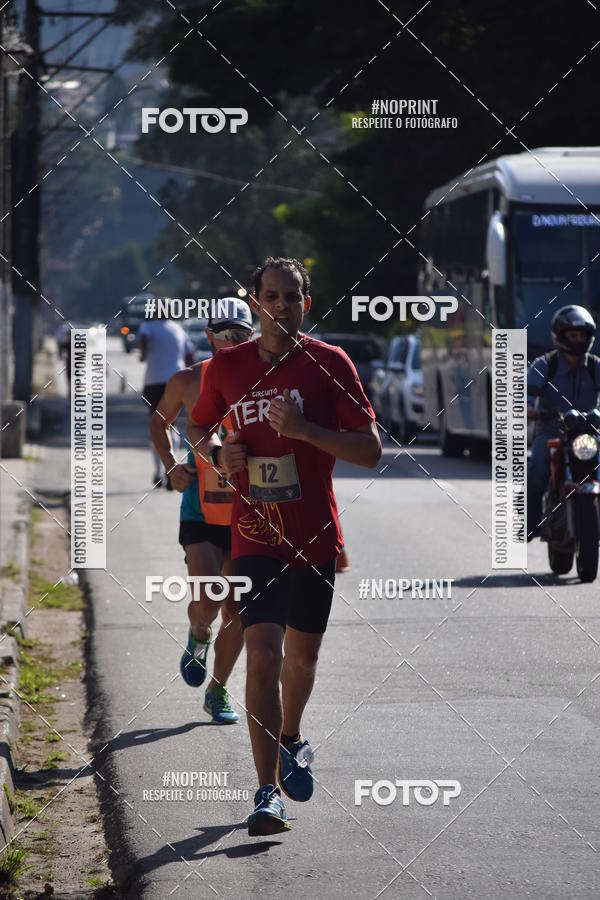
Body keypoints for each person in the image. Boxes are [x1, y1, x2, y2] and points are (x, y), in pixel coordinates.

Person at [189, 257, 382, 836]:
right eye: (270, 296)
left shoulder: (330, 363)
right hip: (254, 537)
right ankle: (265, 793)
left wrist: (305, 431)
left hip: (314, 536)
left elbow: (370, 450)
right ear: (255, 303)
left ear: (306, 303)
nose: (280, 305)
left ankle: (292, 736)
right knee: (263, 654)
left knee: (302, 660)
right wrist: (217, 452)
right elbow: (198, 428)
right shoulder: (227, 366)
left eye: (291, 296)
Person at [149, 299, 254, 723]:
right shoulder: (187, 380)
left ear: (252, 336)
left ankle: (218, 690)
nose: (232, 341)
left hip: (247, 513)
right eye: (224, 333)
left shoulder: (264, 381)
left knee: (238, 612)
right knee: (209, 600)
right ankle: (197, 635)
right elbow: (159, 422)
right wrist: (170, 465)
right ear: (208, 336)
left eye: (240, 334)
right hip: (200, 508)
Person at [527, 304, 600, 540]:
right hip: (552, 432)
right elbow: (524, 396)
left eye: (582, 335)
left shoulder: (596, 366)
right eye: (573, 335)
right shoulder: (545, 365)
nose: (578, 340)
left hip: (588, 435)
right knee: (538, 465)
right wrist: (526, 409)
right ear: (560, 336)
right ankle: (530, 521)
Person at [138, 305, 194, 486]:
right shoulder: (178, 328)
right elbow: (190, 356)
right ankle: (171, 470)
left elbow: (144, 338)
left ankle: (158, 472)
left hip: (153, 382)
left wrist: (144, 353)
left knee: (156, 424)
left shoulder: (148, 326)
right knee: (172, 425)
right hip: (176, 381)